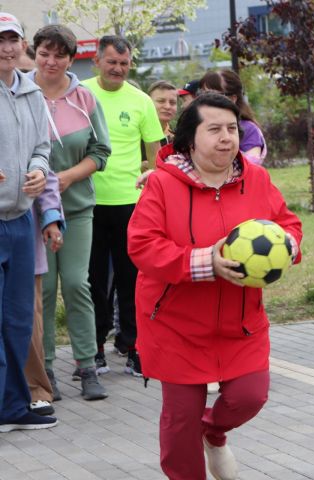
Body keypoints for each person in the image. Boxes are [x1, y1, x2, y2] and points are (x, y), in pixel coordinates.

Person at [127, 93, 302, 480]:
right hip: (176, 326)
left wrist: (288, 245)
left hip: (241, 322)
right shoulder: (161, 184)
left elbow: (288, 224)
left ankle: (215, 430)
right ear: (190, 139)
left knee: (249, 396)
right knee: (179, 426)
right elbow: (142, 246)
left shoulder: (256, 179)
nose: (226, 138)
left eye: (232, 129)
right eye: (215, 130)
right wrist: (206, 262)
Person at [29, 24, 111, 400]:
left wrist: (66, 178)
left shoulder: (85, 97)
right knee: (42, 291)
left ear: (71, 58)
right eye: (45, 52)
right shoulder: (20, 93)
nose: (51, 61)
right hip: (30, 212)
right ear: (35, 54)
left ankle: (87, 365)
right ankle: (45, 370)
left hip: (77, 208)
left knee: (77, 284)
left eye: (60, 54)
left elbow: (100, 152)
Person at [83, 35, 164, 377]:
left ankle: (133, 347)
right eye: (111, 62)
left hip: (131, 205)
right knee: (92, 280)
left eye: (124, 63)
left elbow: (156, 156)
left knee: (133, 280)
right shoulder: (81, 93)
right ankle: (95, 348)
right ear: (97, 62)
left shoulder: (142, 100)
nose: (118, 69)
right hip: (87, 202)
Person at [0, 11, 56, 432]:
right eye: (0, 40)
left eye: (12, 39)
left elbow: (42, 146)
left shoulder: (32, 93)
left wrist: (37, 169)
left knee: (20, 320)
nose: (6, 48)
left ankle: (14, 406)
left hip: (20, 221)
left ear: (23, 45)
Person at [25, 171, 64, 415]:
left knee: (29, 320)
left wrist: (50, 218)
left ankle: (36, 390)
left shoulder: (30, 131)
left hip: (22, 233)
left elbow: (44, 173)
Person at [198, 70, 267, 165]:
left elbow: (252, 163)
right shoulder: (198, 125)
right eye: (202, 94)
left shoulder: (248, 129)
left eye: (213, 95)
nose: (206, 100)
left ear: (233, 99)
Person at [148, 80, 178, 145]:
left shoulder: (178, 138)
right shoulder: (135, 136)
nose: (168, 107)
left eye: (172, 102)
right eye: (161, 101)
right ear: (148, 102)